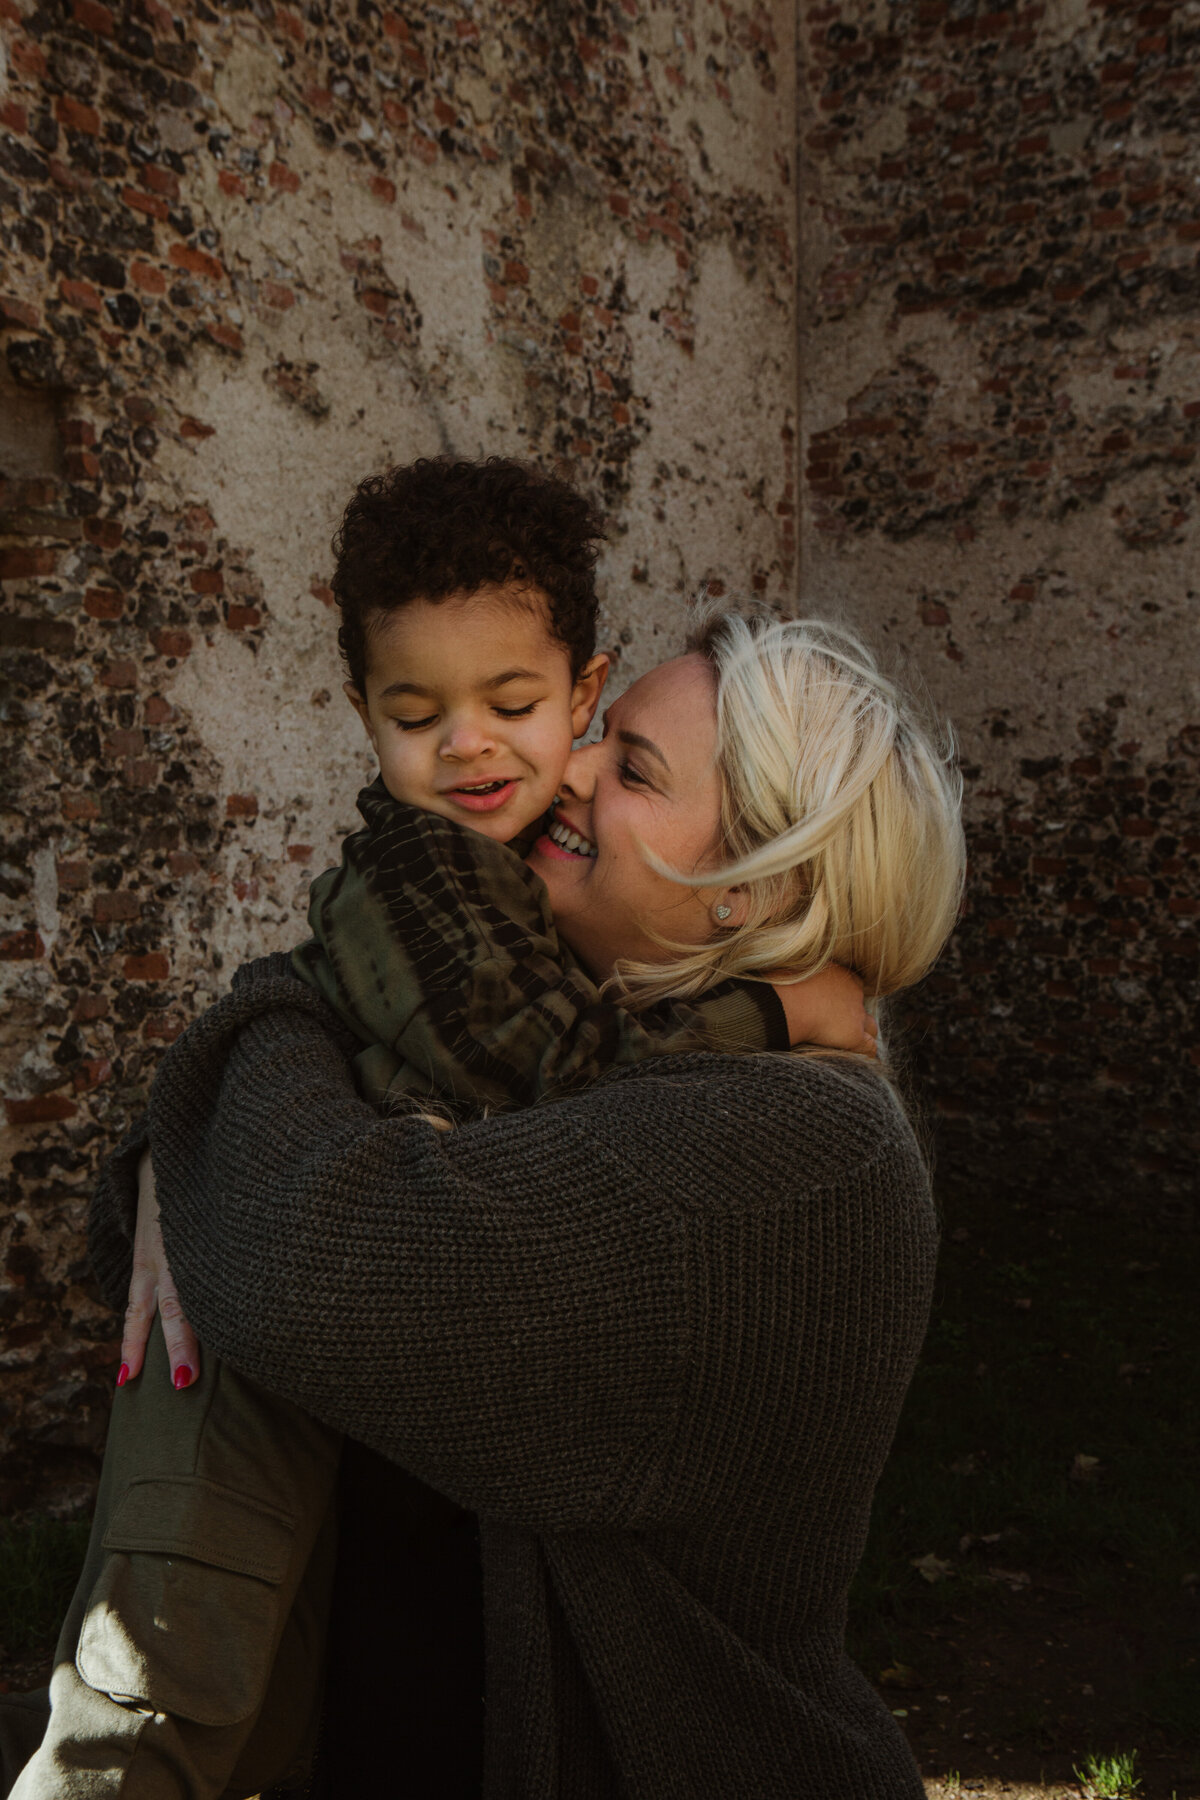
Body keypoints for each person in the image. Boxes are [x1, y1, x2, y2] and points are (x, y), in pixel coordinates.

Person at [0, 461, 873, 1798]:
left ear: (581, 692)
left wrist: (220, 1123)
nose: (471, 747)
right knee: (178, 1625)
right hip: (268, 1351)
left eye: (520, 708)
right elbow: (548, 1063)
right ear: (364, 714)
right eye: (418, 715)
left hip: (359, 1348)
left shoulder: (791, 1145)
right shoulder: (432, 872)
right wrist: (781, 1010)